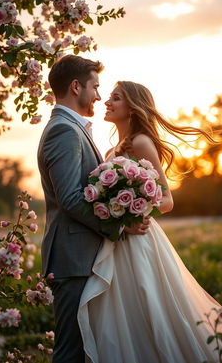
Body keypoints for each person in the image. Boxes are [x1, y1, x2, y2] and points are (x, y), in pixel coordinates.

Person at [77, 81, 222, 363]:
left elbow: (167, 200)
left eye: (116, 98)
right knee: (124, 311)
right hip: (118, 239)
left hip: (139, 240)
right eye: (109, 97)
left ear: (133, 109)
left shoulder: (140, 143)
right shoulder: (113, 150)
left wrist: (129, 213)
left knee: (151, 306)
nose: (107, 102)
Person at [37, 58, 149, 363]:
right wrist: (120, 227)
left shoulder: (72, 129)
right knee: (71, 351)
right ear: (76, 87)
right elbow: (71, 199)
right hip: (73, 258)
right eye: (96, 86)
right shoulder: (64, 131)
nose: (99, 96)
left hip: (82, 257)